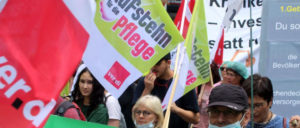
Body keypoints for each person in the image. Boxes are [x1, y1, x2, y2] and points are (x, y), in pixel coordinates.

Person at [132, 53, 200, 128]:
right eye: (151, 63)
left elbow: (196, 118)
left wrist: (176, 109)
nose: (153, 67)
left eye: (157, 63)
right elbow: (134, 112)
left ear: (168, 63)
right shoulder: (145, 81)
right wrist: (147, 89)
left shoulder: (182, 82)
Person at [193, 61, 221, 128]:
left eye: (208, 73)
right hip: (197, 123)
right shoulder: (199, 85)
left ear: (213, 74)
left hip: (211, 124)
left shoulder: (217, 86)